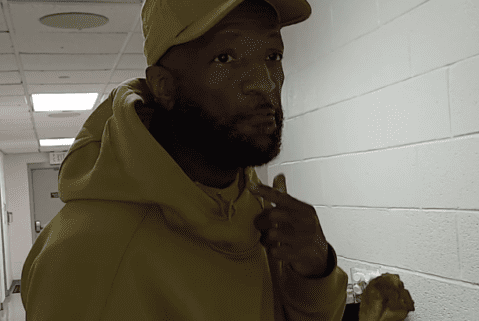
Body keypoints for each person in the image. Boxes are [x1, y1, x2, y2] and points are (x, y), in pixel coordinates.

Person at [20, 0, 348, 319]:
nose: (264, 83)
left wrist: (315, 271)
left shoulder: (253, 204)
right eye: (225, 58)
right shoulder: (86, 253)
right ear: (164, 86)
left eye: (273, 55)